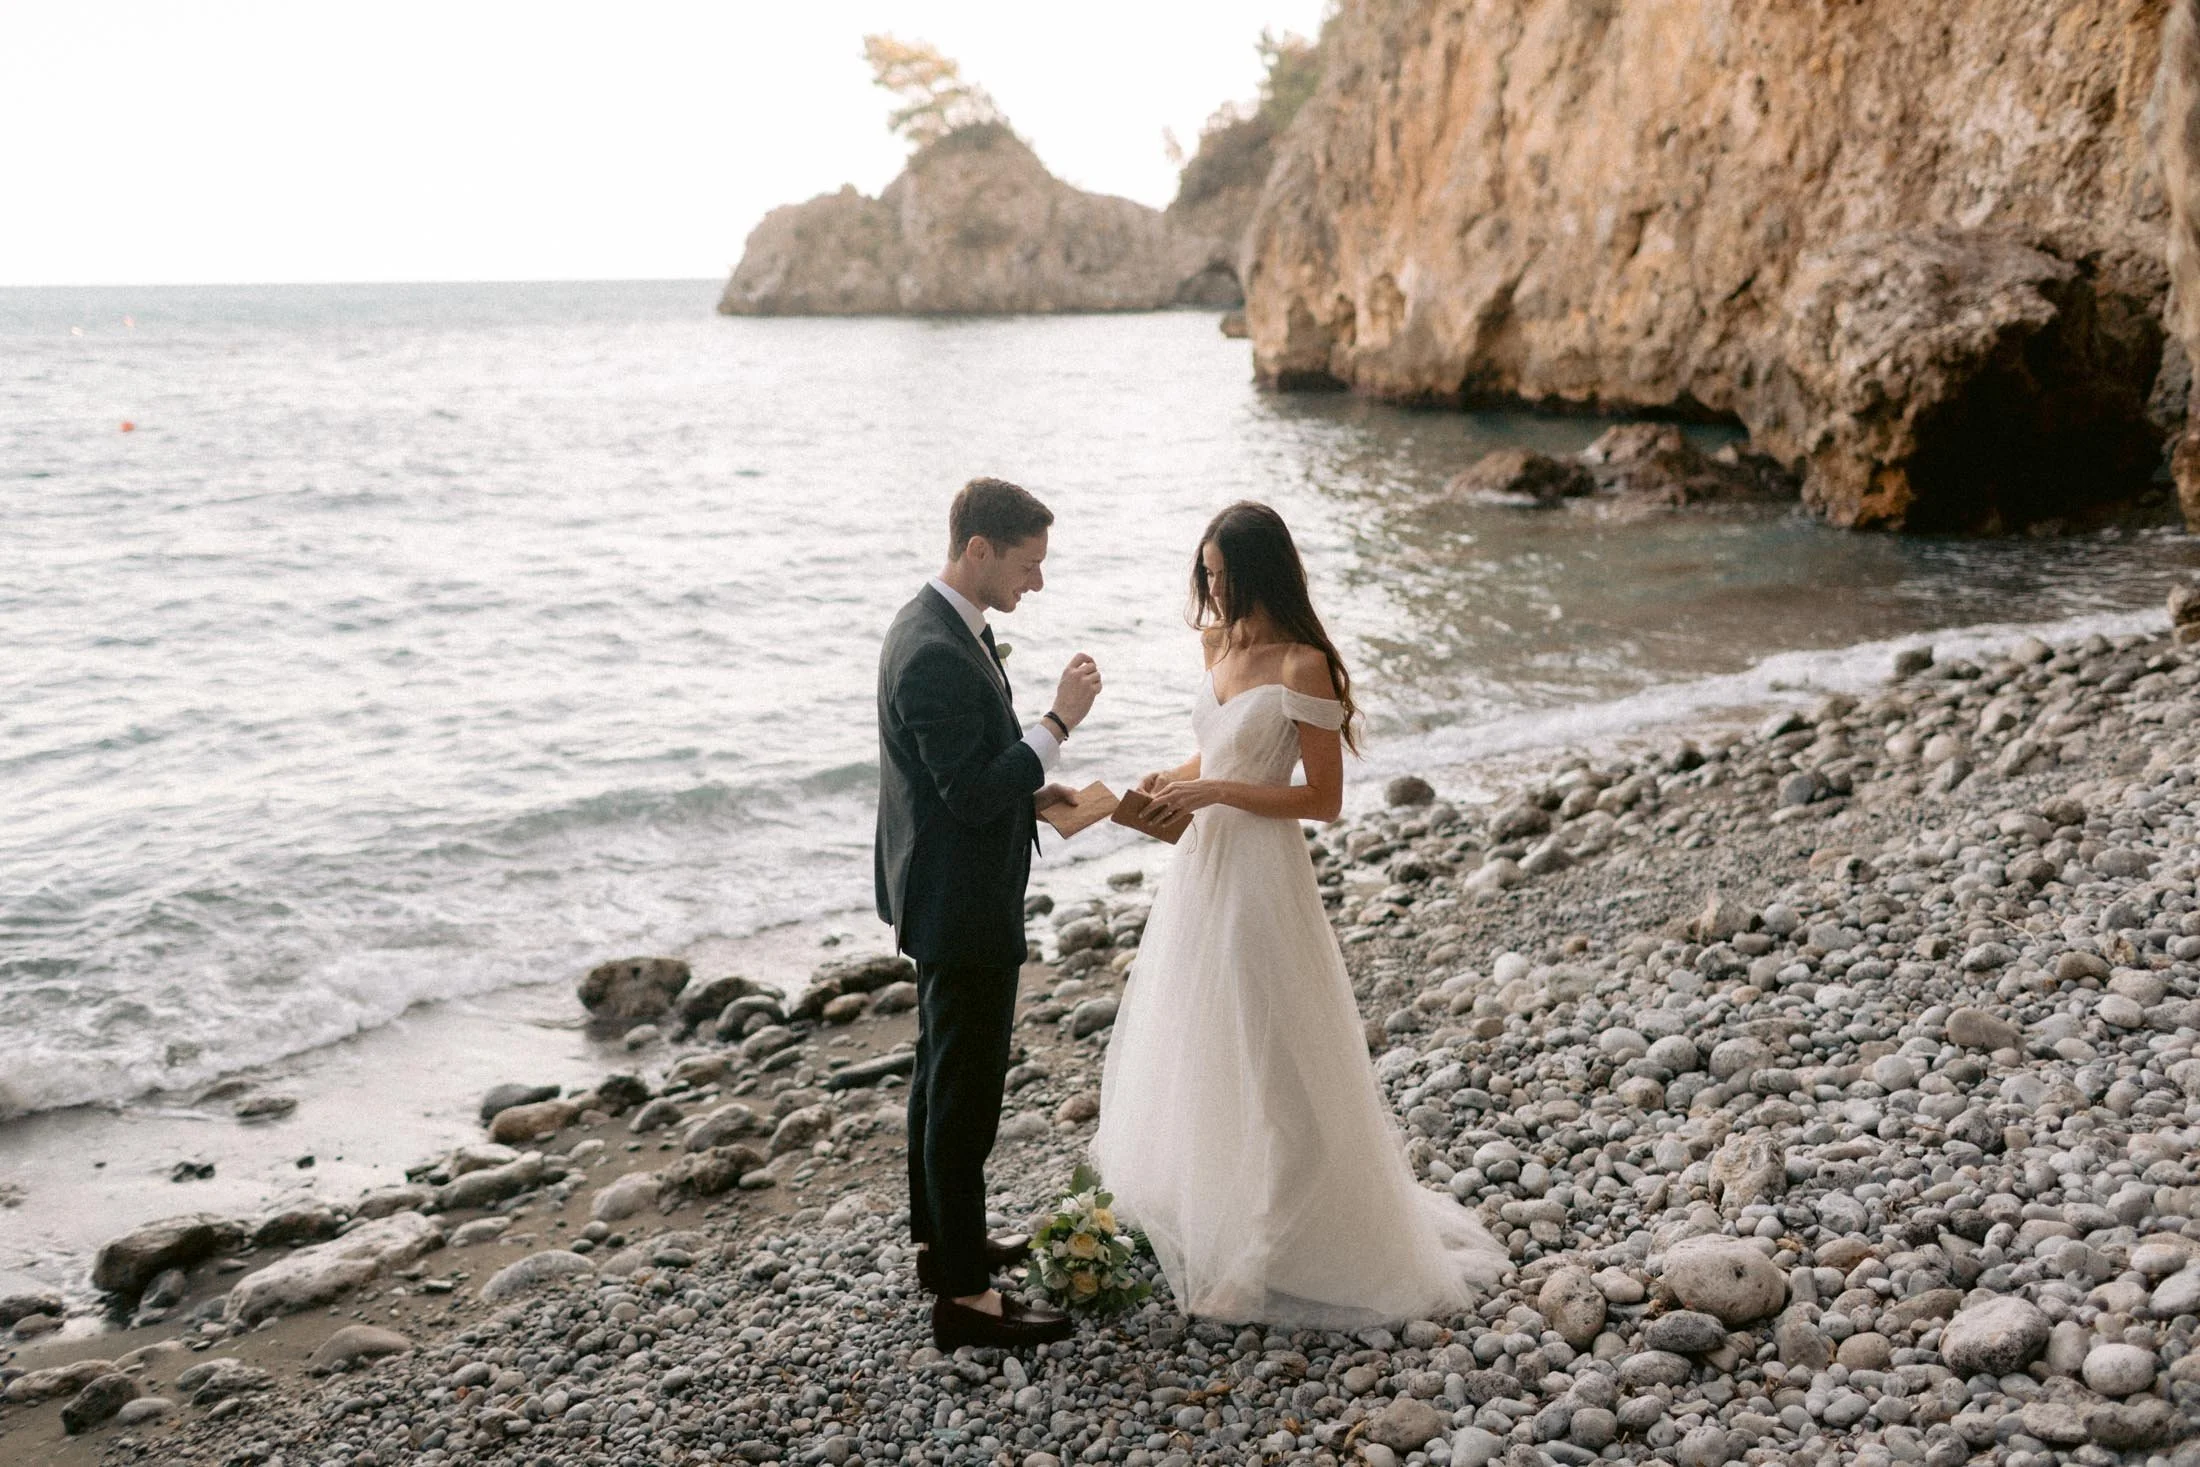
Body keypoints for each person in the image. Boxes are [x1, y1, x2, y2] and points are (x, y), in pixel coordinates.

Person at [1090, 500, 1507, 1327]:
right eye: (1204, 573)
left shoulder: (1302, 665)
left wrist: (1210, 788)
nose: (1209, 588)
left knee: (1275, 1060)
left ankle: (1268, 1253)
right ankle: (1221, 1212)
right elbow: (1213, 753)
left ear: (1257, 570)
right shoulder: (1220, 644)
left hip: (1262, 878)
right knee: (1205, 1046)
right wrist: (1164, 784)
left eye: (1219, 573)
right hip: (1202, 872)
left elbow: (1323, 799)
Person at [875, 476, 1102, 1349]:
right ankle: (965, 1301)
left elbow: (965, 774)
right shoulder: (932, 648)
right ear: (979, 550)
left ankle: (944, 1245)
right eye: (1028, 564)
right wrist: (1057, 721)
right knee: (964, 1096)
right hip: (958, 901)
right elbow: (968, 791)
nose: (1036, 583)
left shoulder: (938, 626)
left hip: (946, 886)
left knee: (939, 1079)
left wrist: (1034, 793)